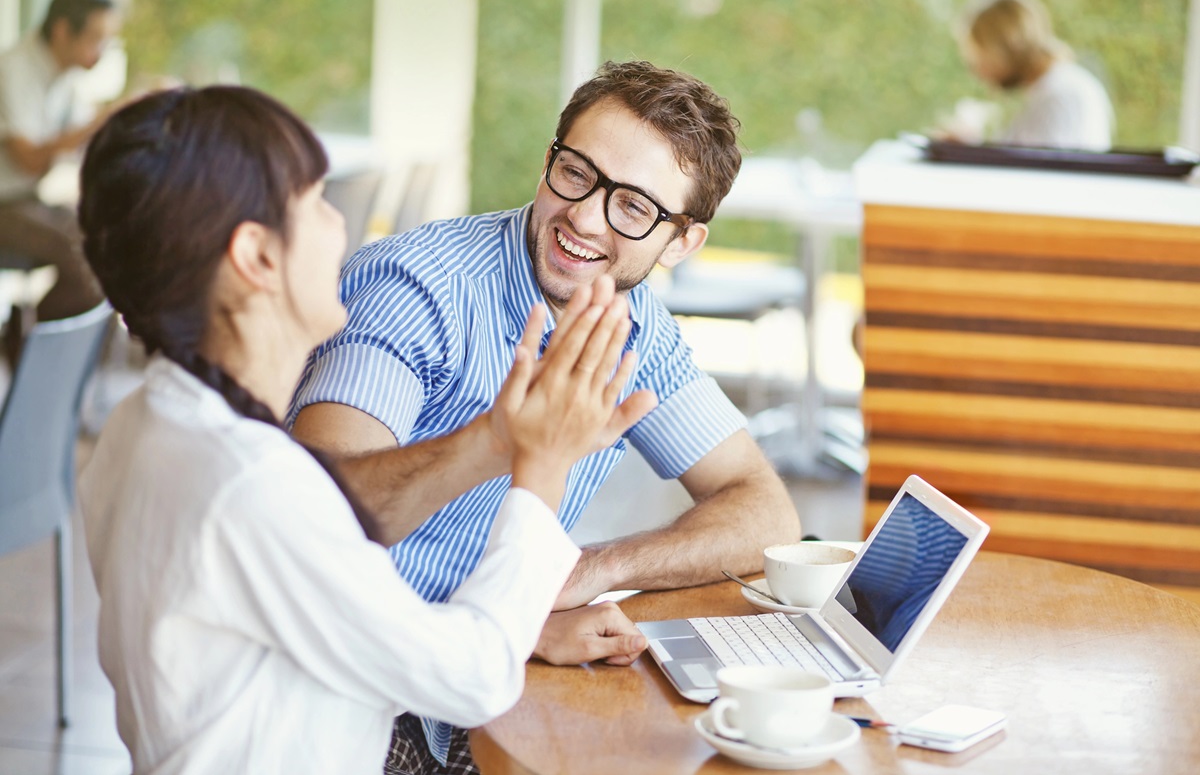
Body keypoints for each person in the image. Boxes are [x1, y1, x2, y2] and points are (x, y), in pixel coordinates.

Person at [76, 85, 653, 773]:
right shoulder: (253, 486)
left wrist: (501, 436)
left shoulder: (147, 421)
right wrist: (543, 464)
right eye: (317, 202)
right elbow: (472, 678)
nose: (342, 227)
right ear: (257, 257)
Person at [289, 59, 800, 772]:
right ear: (548, 159)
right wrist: (501, 442)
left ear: (680, 241)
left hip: (483, 675)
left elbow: (764, 511)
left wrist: (579, 575)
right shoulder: (417, 286)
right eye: (576, 172)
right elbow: (315, 516)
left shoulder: (636, 325)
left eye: (633, 207)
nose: (584, 217)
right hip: (356, 694)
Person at [0, 0, 116, 361]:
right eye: (96, 38)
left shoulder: (63, 77)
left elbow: (76, 143)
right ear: (64, 30)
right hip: (5, 202)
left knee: (107, 238)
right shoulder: (14, 68)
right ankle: (24, 352)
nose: (101, 51)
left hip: (26, 199)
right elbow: (30, 159)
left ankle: (25, 345)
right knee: (82, 252)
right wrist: (97, 122)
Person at [953, 0, 1113, 150]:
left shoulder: (1060, 97)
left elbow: (1037, 170)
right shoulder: (1045, 91)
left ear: (1008, 46)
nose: (980, 73)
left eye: (981, 60)